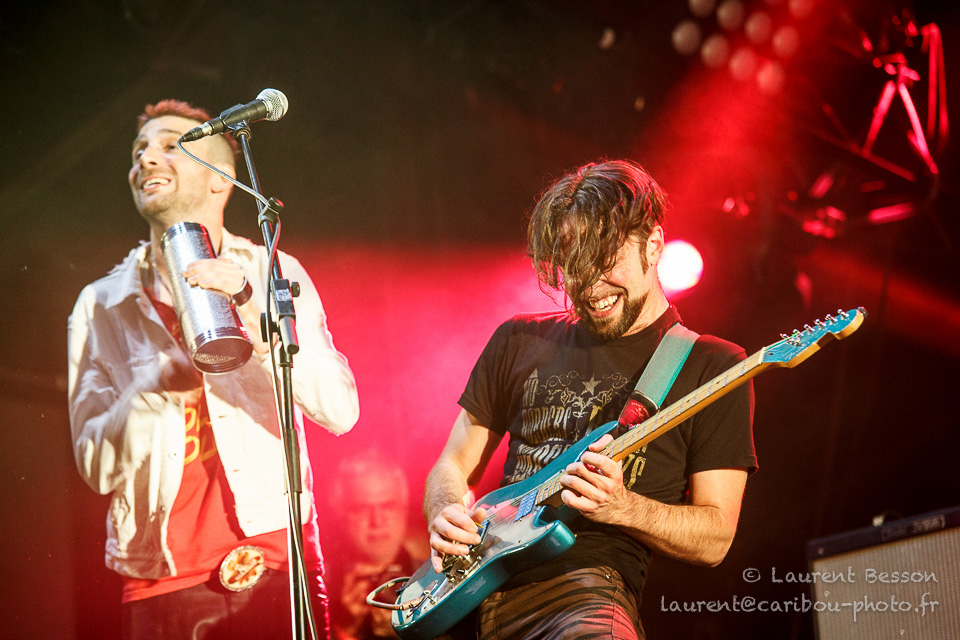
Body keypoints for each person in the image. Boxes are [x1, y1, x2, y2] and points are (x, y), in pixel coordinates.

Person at [423, 160, 757, 639]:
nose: (590, 286)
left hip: (584, 596)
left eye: (605, 261)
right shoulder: (518, 339)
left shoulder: (713, 366)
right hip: (474, 598)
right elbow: (452, 464)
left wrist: (621, 506)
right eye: (573, 266)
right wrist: (444, 511)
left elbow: (715, 538)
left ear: (654, 245)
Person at [67, 99, 360, 640]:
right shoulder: (100, 305)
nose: (145, 159)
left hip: (277, 557)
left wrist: (250, 308)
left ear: (221, 179)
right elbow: (94, 466)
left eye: (170, 146)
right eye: (139, 150)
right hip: (161, 578)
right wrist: (148, 390)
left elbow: (340, 410)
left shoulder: (273, 270)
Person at [324, 453, 429, 640]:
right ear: (340, 515)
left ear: (404, 509)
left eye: (388, 506)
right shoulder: (320, 586)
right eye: (362, 509)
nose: (377, 521)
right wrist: (347, 629)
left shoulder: (434, 575)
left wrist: (408, 632)